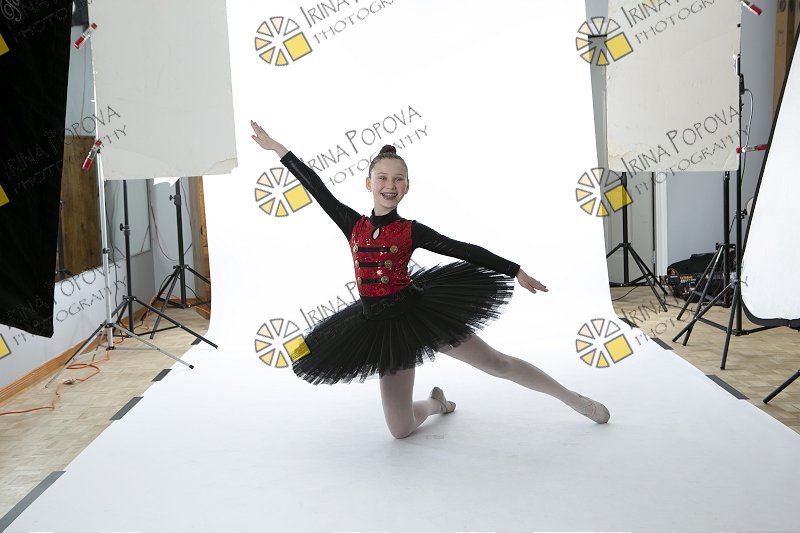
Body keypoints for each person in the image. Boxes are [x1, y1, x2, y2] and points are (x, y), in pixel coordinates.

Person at [250, 120, 610, 438]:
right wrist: (278, 149)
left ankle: (573, 399)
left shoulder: (410, 230)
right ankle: (438, 404)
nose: (390, 185)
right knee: (400, 430)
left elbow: (462, 249)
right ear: (369, 183)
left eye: (398, 179)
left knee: (496, 363)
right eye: (382, 178)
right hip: (381, 328)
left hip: (419, 315)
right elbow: (315, 186)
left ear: (407, 187)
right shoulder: (352, 224)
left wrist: (515, 270)